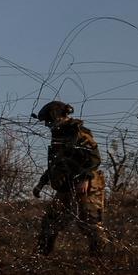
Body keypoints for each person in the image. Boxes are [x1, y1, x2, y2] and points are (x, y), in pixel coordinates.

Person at [32, 100, 107, 255]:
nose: (48, 125)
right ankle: (40, 258)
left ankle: (100, 260)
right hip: (66, 184)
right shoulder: (59, 135)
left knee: (90, 223)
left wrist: (84, 178)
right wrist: (42, 182)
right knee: (50, 221)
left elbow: (94, 158)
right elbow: (57, 163)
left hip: (88, 185)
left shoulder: (78, 132)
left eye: (49, 121)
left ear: (58, 117)